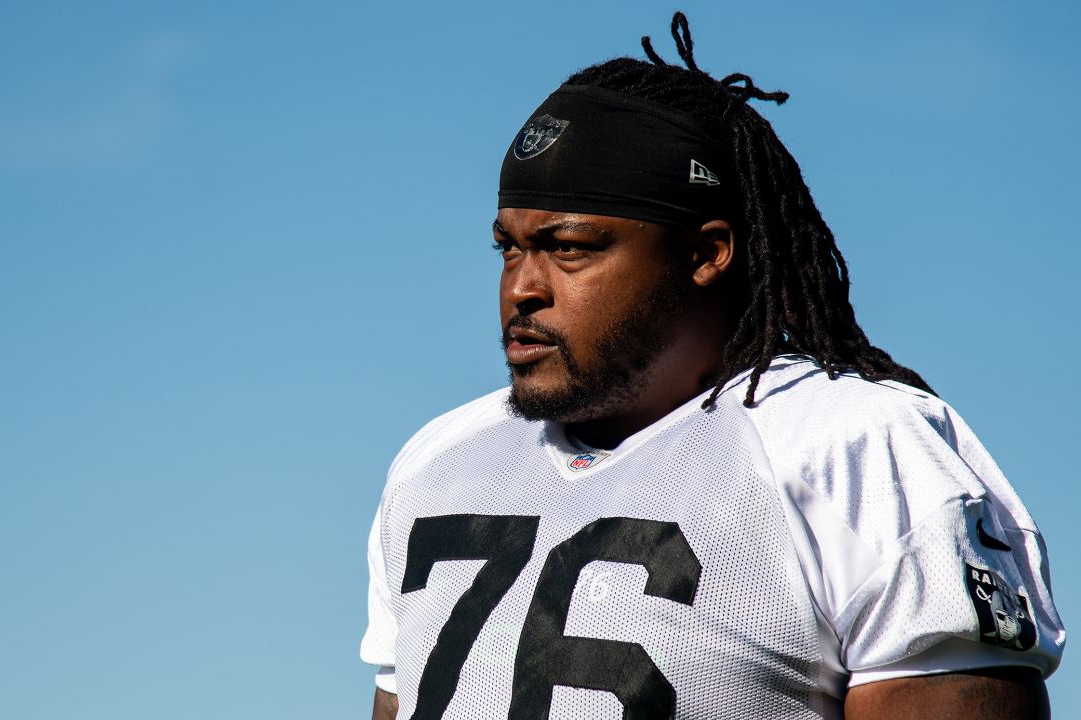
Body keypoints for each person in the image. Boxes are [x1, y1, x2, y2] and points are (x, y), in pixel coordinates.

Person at [360, 13, 1063, 719]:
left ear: (705, 255)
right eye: (508, 248)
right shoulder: (437, 461)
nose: (522, 287)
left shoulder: (850, 446)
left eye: (570, 247)